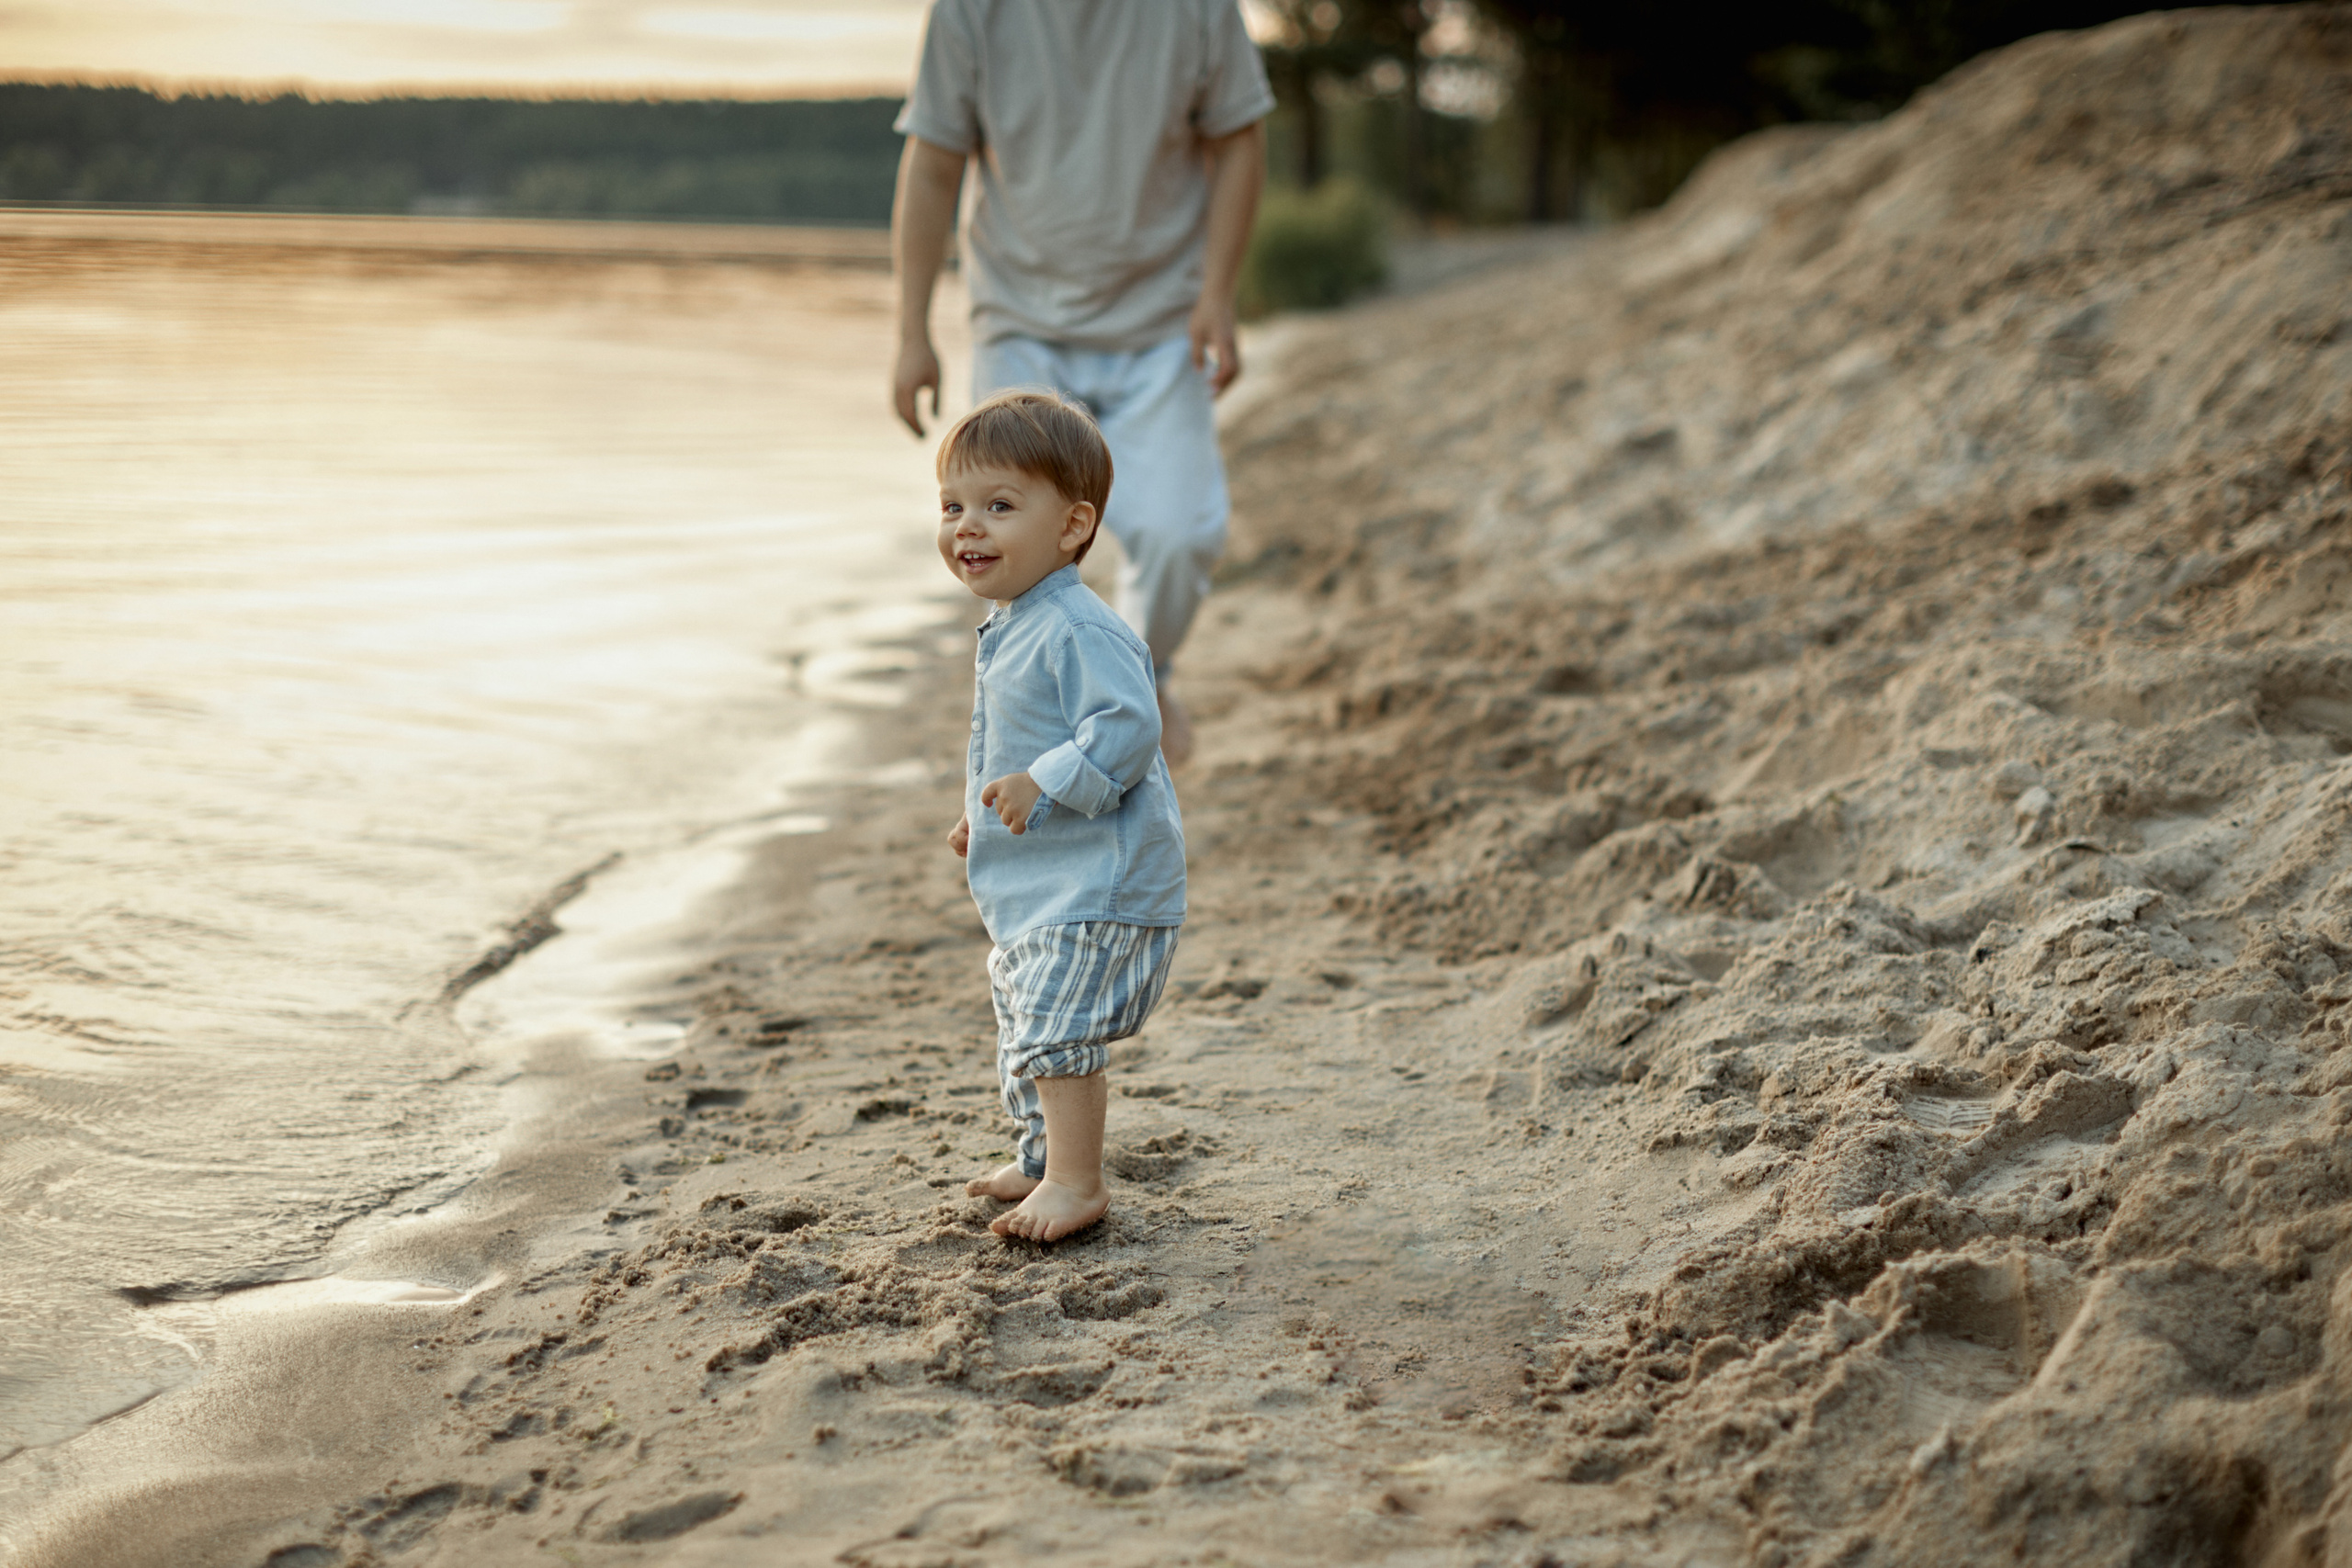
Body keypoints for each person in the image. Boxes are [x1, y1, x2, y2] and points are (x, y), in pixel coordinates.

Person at [890, 0, 1272, 766]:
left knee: (1178, 533)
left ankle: (1141, 674)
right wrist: (912, 332)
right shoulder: (972, 13)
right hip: (1020, 317)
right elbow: (934, 163)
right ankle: (1033, 737)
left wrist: (1218, 298)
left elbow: (1239, 141)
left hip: (1161, 319)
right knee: (1018, 545)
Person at [938, 389, 1186, 1243]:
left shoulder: (1079, 626)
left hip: (1101, 888)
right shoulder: (1014, 623)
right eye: (953, 506)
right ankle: (1044, 1159)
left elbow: (1129, 725)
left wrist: (1041, 784)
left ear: (1073, 528)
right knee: (1024, 1019)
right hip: (1044, 885)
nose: (967, 527)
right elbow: (1008, 740)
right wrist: (985, 810)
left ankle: (1078, 1181)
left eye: (999, 506)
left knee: (1056, 1028)